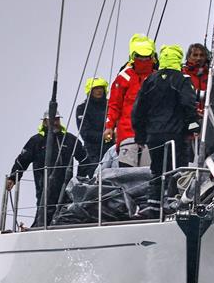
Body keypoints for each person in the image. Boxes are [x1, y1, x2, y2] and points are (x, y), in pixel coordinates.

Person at [132, 44, 199, 212]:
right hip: (175, 135)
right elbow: (188, 104)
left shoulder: (149, 80)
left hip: (153, 135)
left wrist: (140, 136)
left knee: (157, 169)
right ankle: (173, 203)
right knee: (177, 169)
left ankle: (153, 205)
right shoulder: (182, 80)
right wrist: (193, 127)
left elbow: (138, 110)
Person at [6, 112, 90, 227]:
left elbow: (85, 159)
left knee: (66, 213)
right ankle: (38, 229)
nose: (55, 122)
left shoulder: (69, 139)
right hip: (43, 187)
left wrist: (79, 179)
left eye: (57, 119)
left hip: (66, 188)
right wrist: (13, 178)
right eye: (51, 120)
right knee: (44, 212)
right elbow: (22, 161)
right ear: (44, 122)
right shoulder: (36, 141)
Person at [104, 34, 156, 167]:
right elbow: (114, 105)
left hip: (150, 135)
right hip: (127, 134)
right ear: (133, 56)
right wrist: (109, 126)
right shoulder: (124, 78)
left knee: (148, 173)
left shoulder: (157, 78)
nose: (143, 60)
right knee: (127, 173)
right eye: (140, 56)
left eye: (146, 57)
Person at [76, 77, 110, 175]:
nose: (99, 90)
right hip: (92, 151)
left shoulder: (111, 105)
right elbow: (85, 133)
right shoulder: (83, 108)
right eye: (95, 88)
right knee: (94, 176)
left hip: (111, 148)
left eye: (101, 88)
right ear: (90, 90)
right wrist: (103, 136)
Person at [182, 43, 210, 108]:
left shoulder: (211, 76)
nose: (198, 58)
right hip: (187, 115)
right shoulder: (182, 74)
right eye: (195, 55)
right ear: (188, 57)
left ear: (205, 57)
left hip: (206, 115)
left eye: (201, 55)